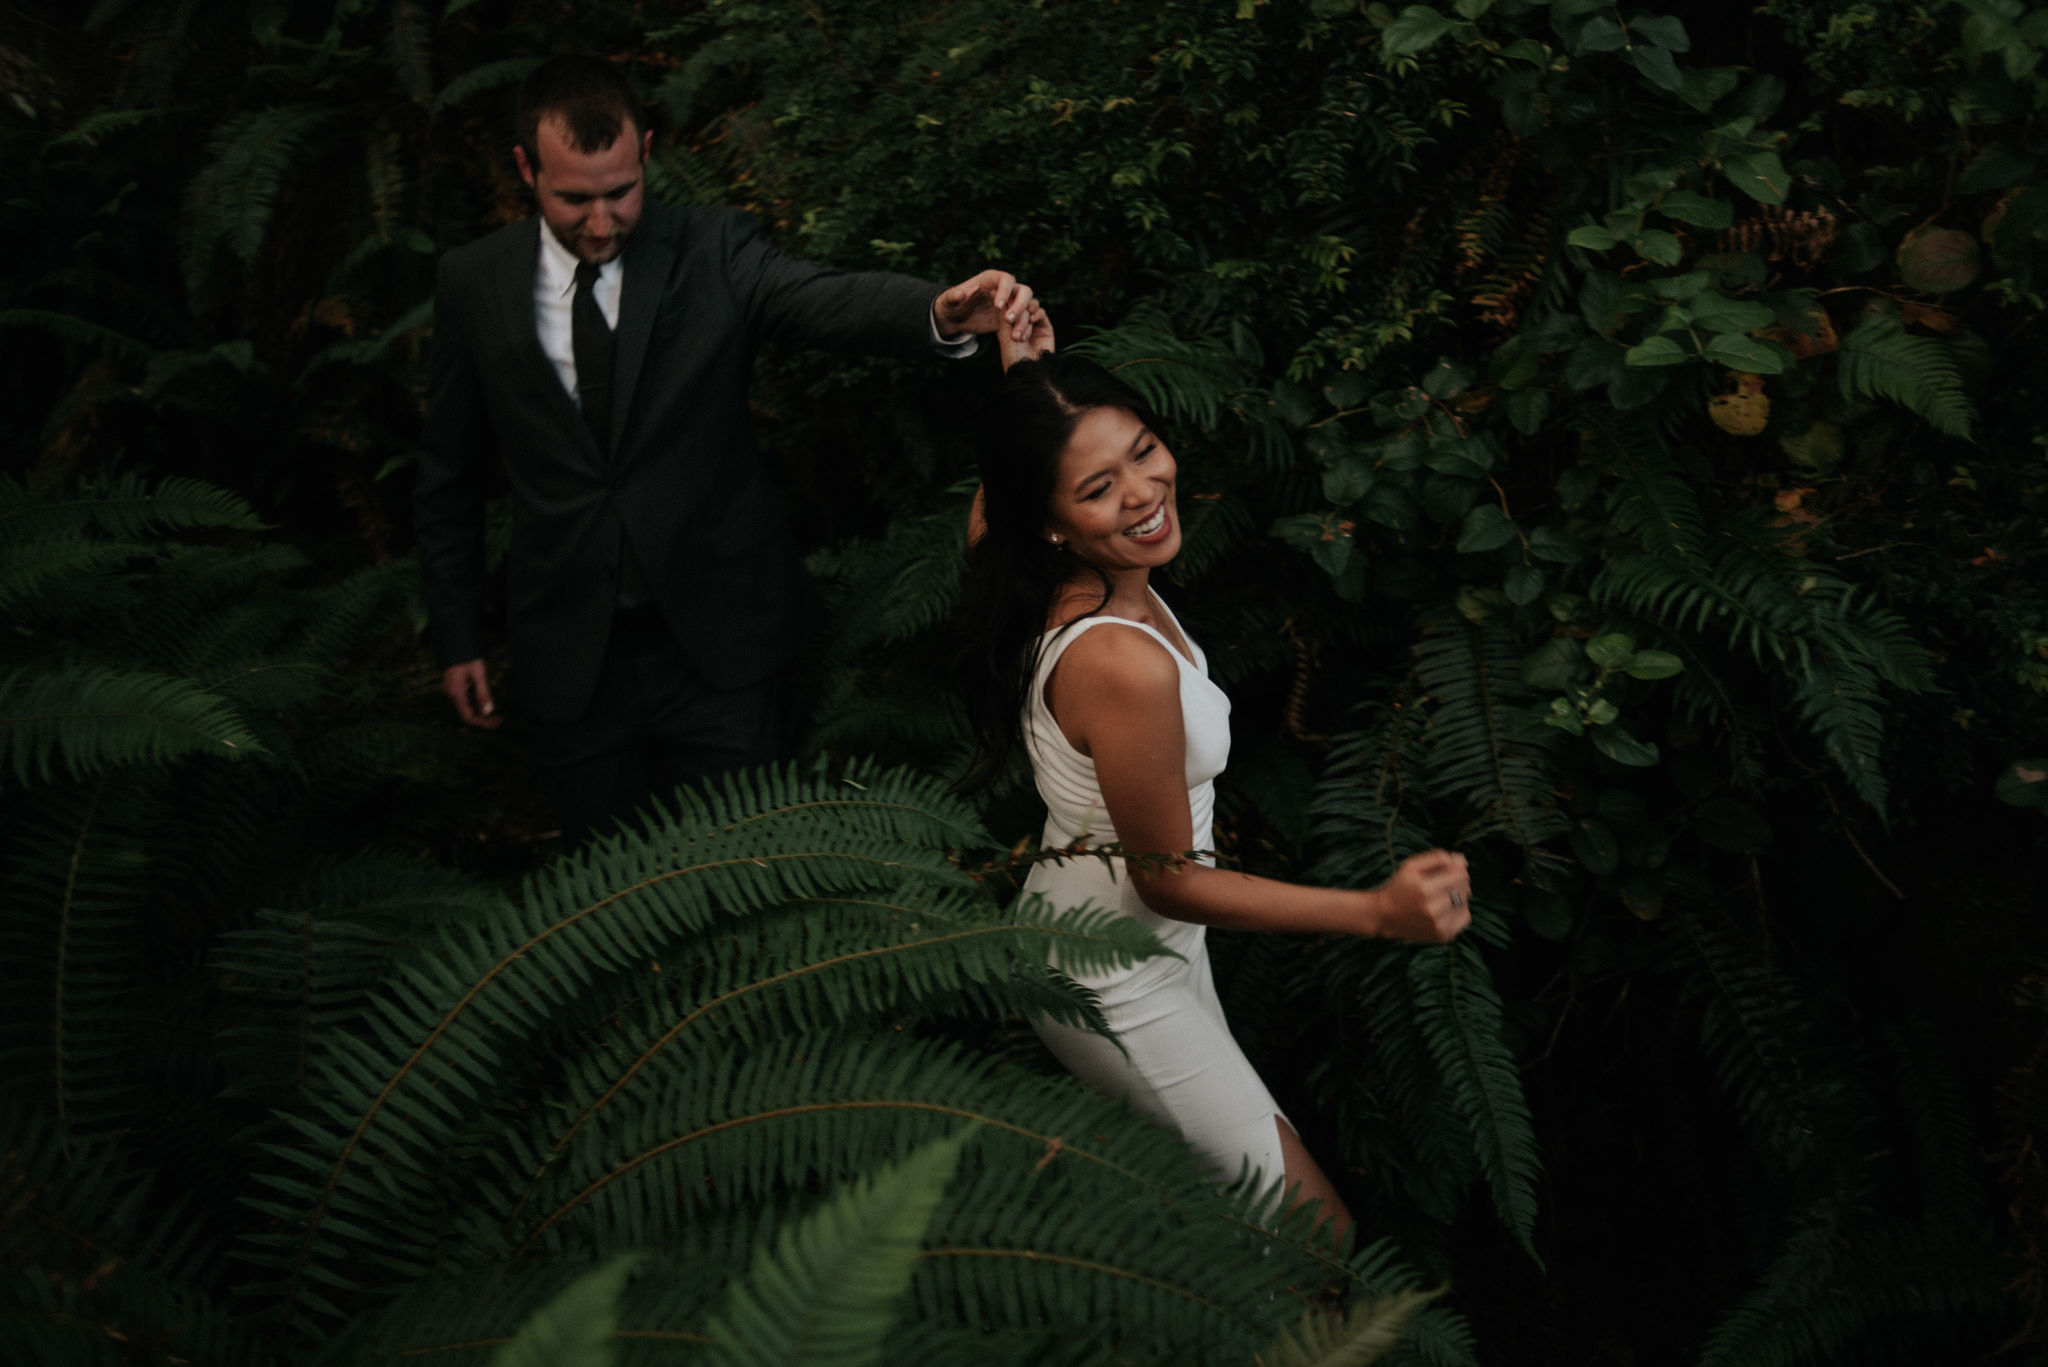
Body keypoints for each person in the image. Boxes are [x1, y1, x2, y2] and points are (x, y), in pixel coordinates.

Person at [415, 55, 1039, 844]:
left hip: (717, 651)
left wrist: (941, 316)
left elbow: (821, 299)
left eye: (621, 192)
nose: (602, 221)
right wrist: (458, 632)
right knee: (605, 903)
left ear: (645, 150)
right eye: (575, 198)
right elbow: (447, 476)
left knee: (748, 879)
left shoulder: (714, 251)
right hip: (569, 658)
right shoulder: (473, 282)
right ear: (524, 167)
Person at [956, 318, 1472, 1232]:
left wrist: (1029, 383)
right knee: (1320, 1242)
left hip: (1126, 933)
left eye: (1146, 450)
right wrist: (1375, 914)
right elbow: (1170, 880)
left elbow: (1001, 495)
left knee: (1234, 1225)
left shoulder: (1053, 563)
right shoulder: (1120, 662)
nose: (1145, 491)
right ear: (1050, 522)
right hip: (1110, 970)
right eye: (1099, 487)